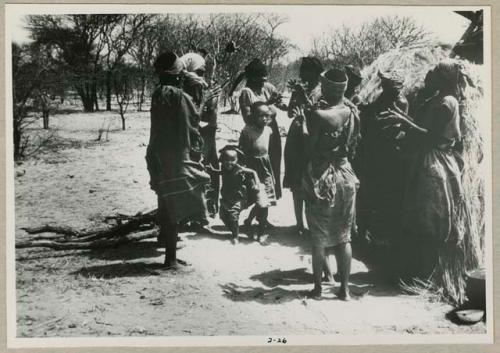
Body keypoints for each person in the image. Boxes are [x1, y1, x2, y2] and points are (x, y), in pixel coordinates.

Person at [378, 59, 468, 280]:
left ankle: (427, 274)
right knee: (421, 218)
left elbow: (430, 136)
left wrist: (403, 121)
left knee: (430, 220)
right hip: (429, 159)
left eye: (435, 73)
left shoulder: (447, 102)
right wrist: (404, 120)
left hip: (435, 163)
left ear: (444, 78)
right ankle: (420, 271)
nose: (430, 76)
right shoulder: (437, 99)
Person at [146, 51, 211, 269]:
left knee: (166, 202)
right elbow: (191, 124)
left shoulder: (159, 93)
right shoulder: (179, 96)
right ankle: (171, 260)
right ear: (177, 74)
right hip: (177, 156)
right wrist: (202, 100)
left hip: (159, 153)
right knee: (176, 205)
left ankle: (169, 254)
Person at [299, 69, 361, 300]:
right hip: (346, 175)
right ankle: (344, 289)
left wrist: (303, 123)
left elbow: (310, 148)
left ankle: (317, 289)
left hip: (323, 176)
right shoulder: (352, 111)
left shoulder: (319, 116)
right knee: (344, 236)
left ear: (325, 88)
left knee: (319, 237)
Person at [354, 70, 409, 246]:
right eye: (383, 83)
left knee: (383, 195)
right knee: (367, 193)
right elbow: (372, 112)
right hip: (374, 151)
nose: (384, 86)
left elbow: (399, 128)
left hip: (388, 153)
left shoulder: (400, 101)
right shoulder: (383, 96)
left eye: (387, 84)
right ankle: (363, 233)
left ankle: (379, 237)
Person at [284, 56, 323, 237]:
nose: (304, 74)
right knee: (296, 182)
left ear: (316, 72)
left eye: (307, 71)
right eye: (302, 71)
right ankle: (299, 224)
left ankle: (312, 224)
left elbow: (318, 113)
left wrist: (304, 97)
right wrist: (296, 97)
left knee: (311, 181)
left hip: (312, 137)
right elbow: (290, 113)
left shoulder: (322, 90)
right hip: (296, 136)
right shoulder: (299, 89)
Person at [180, 52, 222, 220]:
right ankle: (194, 214)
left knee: (211, 171)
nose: (202, 76)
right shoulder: (182, 91)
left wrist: (213, 104)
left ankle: (208, 210)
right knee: (197, 173)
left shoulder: (201, 87)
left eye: (203, 72)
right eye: (199, 71)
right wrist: (206, 100)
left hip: (207, 136)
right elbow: (191, 119)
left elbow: (209, 118)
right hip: (192, 139)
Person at [236, 59, 283, 202]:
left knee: (273, 164)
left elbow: (280, 106)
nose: (263, 82)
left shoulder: (267, 88)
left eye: (265, 79)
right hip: (256, 135)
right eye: (260, 79)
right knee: (258, 170)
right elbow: (248, 118)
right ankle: (257, 206)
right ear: (252, 78)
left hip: (271, 131)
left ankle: (271, 197)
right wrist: (268, 105)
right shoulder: (247, 92)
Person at [239, 102, 277, 244]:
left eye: (267, 116)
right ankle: (248, 221)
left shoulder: (269, 130)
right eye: (261, 116)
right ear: (253, 116)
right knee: (258, 199)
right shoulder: (247, 131)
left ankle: (261, 231)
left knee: (264, 201)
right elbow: (241, 152)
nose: (265, 119)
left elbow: (270, 150)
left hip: (265, 168)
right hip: (252, 168)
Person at [209, 146, 260, 244]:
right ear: (222, 160)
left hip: (238, 198)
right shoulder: (224, 168)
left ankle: (235, 236)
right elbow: (222, 173)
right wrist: (213, 171)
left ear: (237, 160)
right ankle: (234, 230)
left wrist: (257, 184)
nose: (229, 162)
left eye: (233, 160)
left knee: (233, 216)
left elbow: (253, 172)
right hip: (226, 197)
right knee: (223, 216)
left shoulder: (239, 169)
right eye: (226, 160)